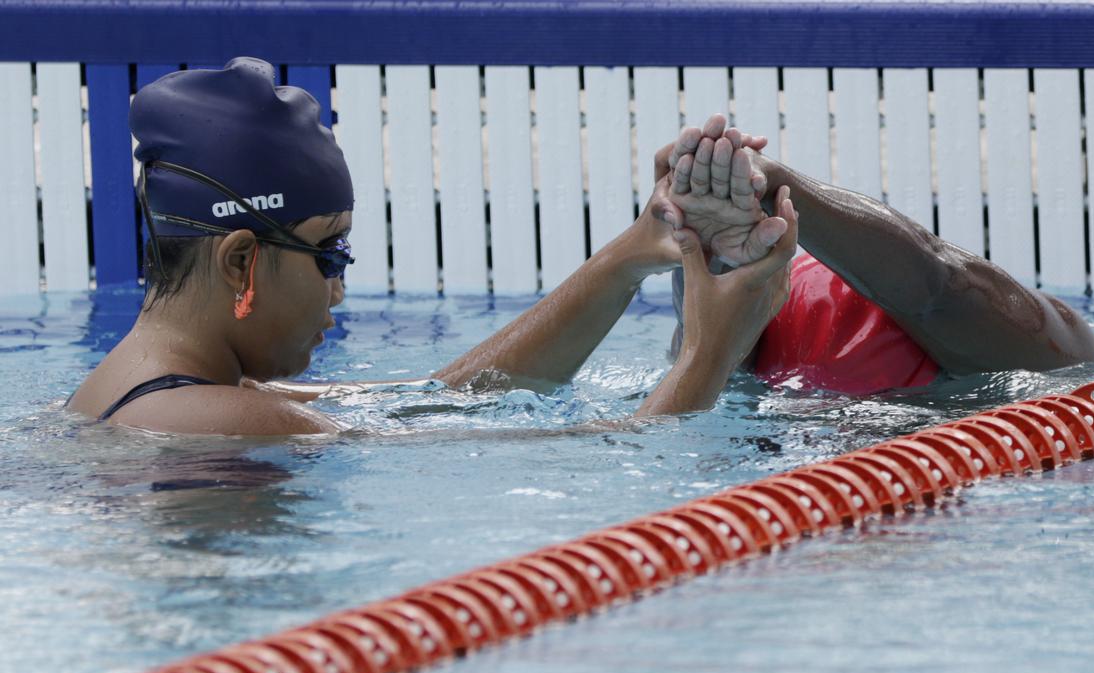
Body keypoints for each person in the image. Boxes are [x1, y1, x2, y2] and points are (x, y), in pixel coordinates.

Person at [66, 58, 796, 435]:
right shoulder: (230, 419)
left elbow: (445, 401)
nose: (339, 288)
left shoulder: (177, 396)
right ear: (239, 261)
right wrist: (709, 350)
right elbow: (610, 456)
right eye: (329, 253)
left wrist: (635, 250)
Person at [656, 115, 1094, 395]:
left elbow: (937, 285)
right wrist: (704, 232)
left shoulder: (1051, 347)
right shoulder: (759, 340)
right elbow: (710, 356)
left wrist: (773, 184)